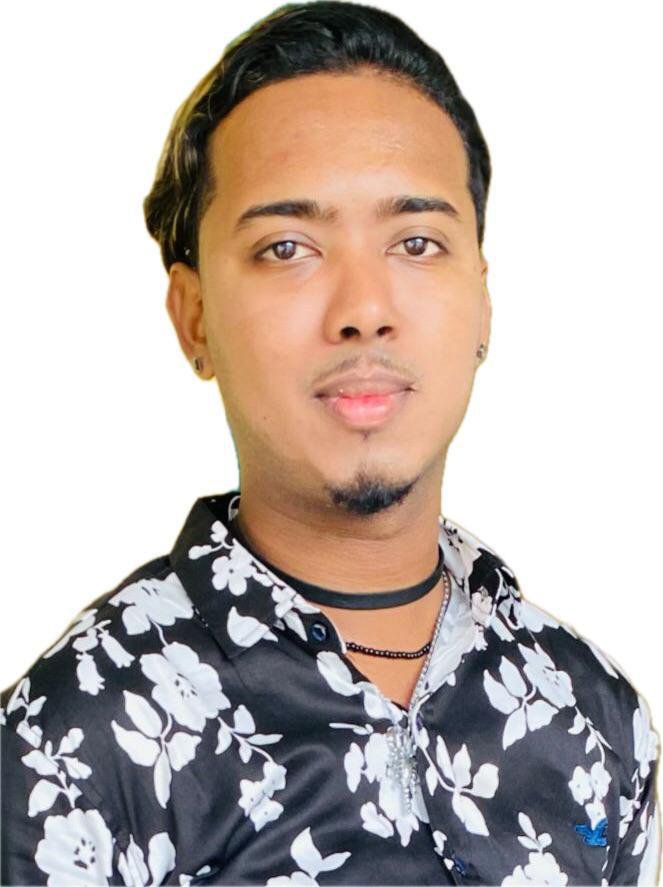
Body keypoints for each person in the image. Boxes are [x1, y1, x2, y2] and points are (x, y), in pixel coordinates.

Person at [1, 1, 660, 884]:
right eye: (287, 248)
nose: (363, 309)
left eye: (416, 242)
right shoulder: (76, 737)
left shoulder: (592, 714)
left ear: (482, 304)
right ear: (193, 317)